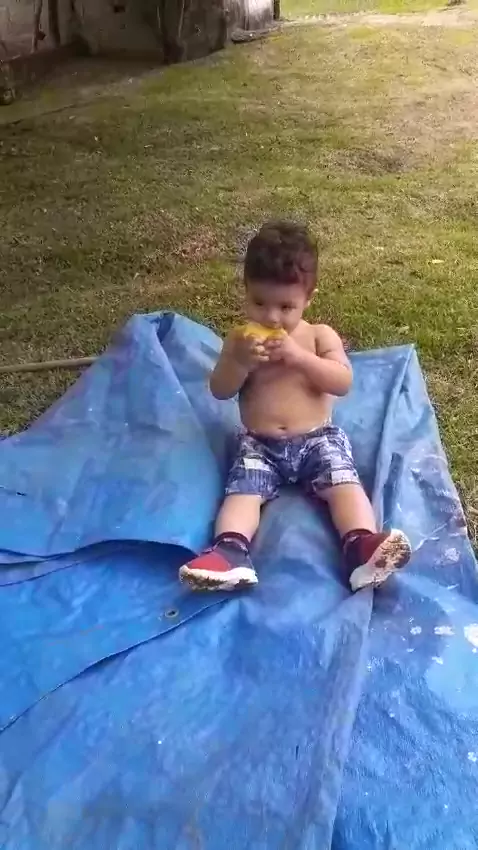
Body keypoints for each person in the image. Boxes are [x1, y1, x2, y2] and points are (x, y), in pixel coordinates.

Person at [179, 221, 411, 592]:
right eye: (259, 303)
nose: (272, 317)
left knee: (344, 485)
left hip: (317, 438)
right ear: (246, 292)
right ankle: (230, 551)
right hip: (260, 443)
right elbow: (220, 391)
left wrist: (299, 358)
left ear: (308, 298)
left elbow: (342, 381)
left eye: (286, 306)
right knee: (243, 493)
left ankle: (360, 545)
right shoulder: (240, 341)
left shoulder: (318, 336)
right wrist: (239, 363)